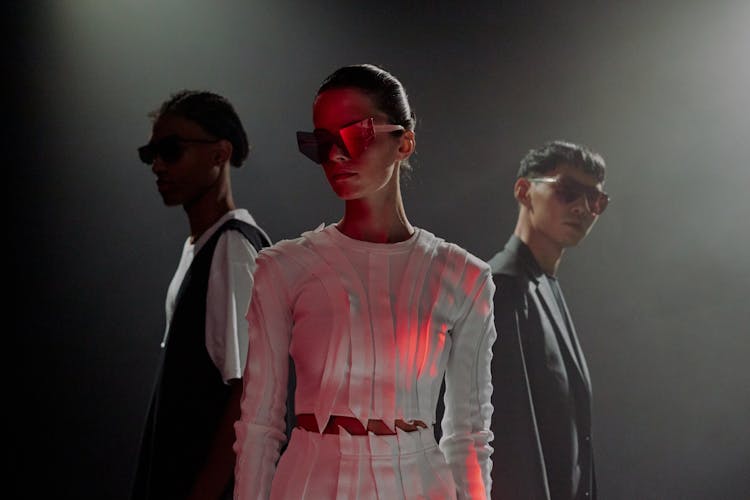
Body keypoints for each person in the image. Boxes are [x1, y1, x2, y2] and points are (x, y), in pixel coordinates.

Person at [233, 64, 496, 499]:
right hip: (307, 484)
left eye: (356, 135)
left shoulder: (464, 277)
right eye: (321, 143)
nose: (336, 154)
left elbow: (469, 435)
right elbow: (259, 426)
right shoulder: (282, 269)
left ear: (404, 143)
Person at [131, 90, 271, 500]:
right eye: (151, 153)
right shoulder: (205, 245)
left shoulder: (232, 248)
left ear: (219, 154)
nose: (157, 165)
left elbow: (249, 395)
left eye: (171, 150)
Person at [488, 141, 609, 499]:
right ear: (525, 191)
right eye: (567, 192)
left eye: (595, 200)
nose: (583, 208)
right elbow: (508, 443)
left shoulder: (542, 287)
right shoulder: (502, 290)